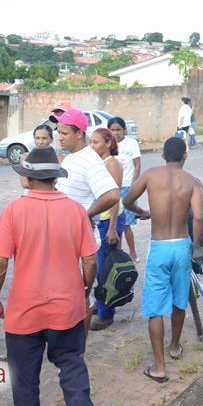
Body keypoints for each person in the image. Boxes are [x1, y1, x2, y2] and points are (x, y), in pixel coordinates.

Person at [0, 146, 97, 406]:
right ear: (55, 177)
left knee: (24, 385)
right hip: (67, 310)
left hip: (24, 313)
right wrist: (84, 292)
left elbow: (0, 261)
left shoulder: (14, 210)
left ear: (27, 177)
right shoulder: (75, 210)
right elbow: (91, 261)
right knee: (72, 367)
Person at [123, 137, 203, 383]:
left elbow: (126, 200)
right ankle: (175, 346)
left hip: (159, 247)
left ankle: (159, 367)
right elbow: (198, 217)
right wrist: (196, 246)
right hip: (181, 245)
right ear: (185, 156)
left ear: (162, 155)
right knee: (180, 299)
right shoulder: (193, 181)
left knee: (156, 307)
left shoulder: (149, 175)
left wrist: (142, 212)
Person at [51, 109, 120, 330]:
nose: (59, 136)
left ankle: (77, 351)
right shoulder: (73, 158)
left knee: (80, 297)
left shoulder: (90, 161)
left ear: (79, 133)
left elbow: (112, 195)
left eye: (64, 133)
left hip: (77, 241)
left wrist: (85, 214)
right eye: (58, 132)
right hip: (62, 238)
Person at [88, 128, 126, 330]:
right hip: (100, 220)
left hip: (110, 221)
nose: (92, 146)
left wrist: (112, 228)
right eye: (91, 142)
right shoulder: (99, 164)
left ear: (108, 143)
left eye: (96, 142)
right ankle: (99, 303)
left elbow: (114, 197)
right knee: (98, 266)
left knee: (106, 269)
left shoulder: (113, 165)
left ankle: (106, 313)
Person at [109, 117, 142, 263]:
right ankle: (118, 253)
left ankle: (133, 253)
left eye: (118, 130)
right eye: (113, 130)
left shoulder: (131, 143)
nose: (115, 133)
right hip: (112, 187)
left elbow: (137, 165)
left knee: (127, 224)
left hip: (128, 186)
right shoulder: (108, 144)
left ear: (124, 130)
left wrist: (134, 185)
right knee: (114, 222)